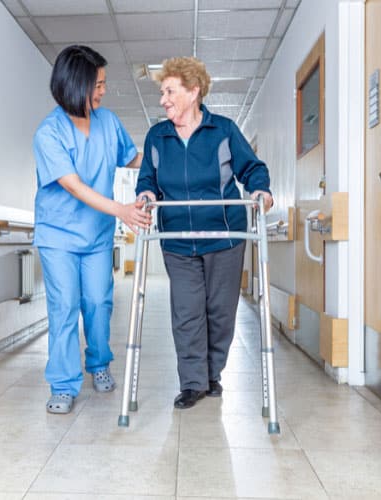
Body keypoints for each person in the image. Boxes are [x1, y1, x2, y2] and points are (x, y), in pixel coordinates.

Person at [136, 57, 273, 410]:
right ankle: (193, 383)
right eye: (162, 92)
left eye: (170, 91)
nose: (163, 100)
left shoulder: (223, 131)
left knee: (220, 311)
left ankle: (213, 373)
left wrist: (260, 190)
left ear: (193, 91)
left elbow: (252, 168)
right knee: (186, 311)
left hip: (224, 236)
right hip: (178, 239)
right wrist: (147, 195)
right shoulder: (157, 136)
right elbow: (147, 179)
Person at [33, 45, 151, 414]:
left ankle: (98, 364)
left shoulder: (109, 122)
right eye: (97, 85)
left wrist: (171, 155)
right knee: (65, 304)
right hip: (58, 235)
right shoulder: (49, 133)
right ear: (75, 84)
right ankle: (64, 384)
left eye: (103, 84)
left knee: (99, 302)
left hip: (97, 235)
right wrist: (122, 209)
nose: (102, 91)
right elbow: (73, 185)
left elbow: (133, 158)